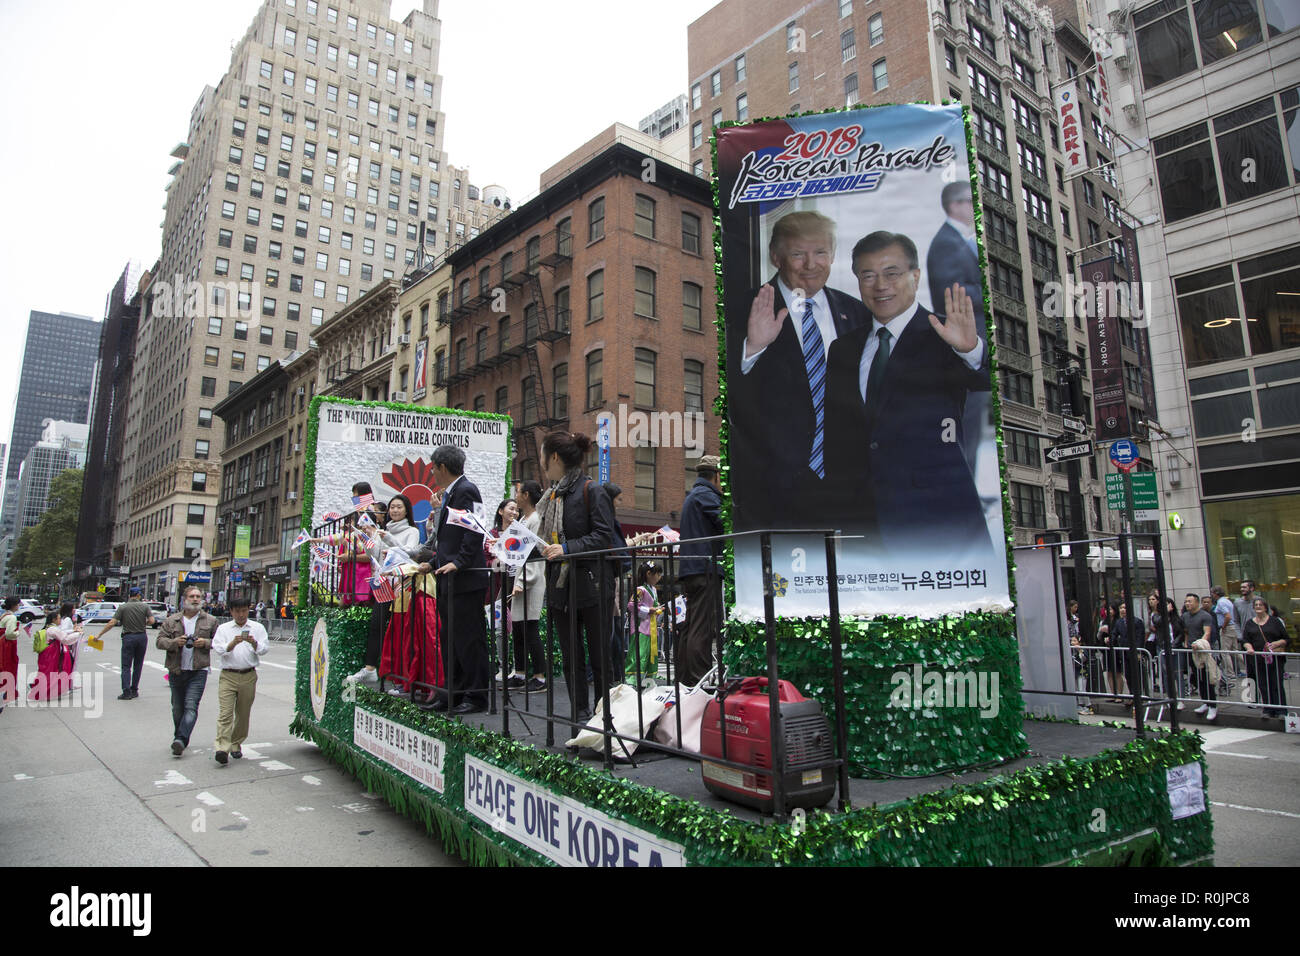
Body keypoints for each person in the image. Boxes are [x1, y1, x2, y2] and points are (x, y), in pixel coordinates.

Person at [824, 231, 991, 556]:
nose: (879, 285)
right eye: (867, 275)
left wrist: (970, 350)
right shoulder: (843, 349)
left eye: (892, 273)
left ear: (915, 276)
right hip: (863, 528)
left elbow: (981, 378)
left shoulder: (945, 334)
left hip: (939, 525)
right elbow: (837, 435)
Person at [727, 210, 870, 532]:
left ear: (833, 254)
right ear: (776, 257)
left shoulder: (857, 312)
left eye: (820, 252)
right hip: (772, 494)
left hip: (850, 489)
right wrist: (754, 348)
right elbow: (724, 396)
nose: (811, 264)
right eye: (797, 254)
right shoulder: (741, 309)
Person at [537, 430, 617, 722]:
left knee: (600, 658)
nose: (542, 462)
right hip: (561, 588)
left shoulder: (592, 490)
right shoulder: (552, 495)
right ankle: (578, 714)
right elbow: (544, 538)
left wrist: (567, 548)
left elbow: (603, 536)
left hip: (592, 585)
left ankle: (604, 717)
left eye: (544, 454)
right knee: (571, 658)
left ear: (555, 457)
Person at [926, 180, 987, 475]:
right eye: (970, 201)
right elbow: (955, 294)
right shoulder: (946, 244)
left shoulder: (959, 241)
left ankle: (968, 491)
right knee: (968, 430)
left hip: (972, 352)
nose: (975, 208)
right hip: (963, 352)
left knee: (973, 430)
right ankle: (965, 494)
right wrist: (990, 292)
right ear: (955, 205)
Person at [427, 445, 490, 715]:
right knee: (450, 638)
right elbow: (447, 540)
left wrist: (459, 562)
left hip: (465, 580)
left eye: (433, 467)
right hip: (448, 577)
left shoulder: (467, 490)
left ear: (443, 467)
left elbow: (475, 530)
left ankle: (476, 696)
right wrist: (431, 563)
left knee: (468, 639)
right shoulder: (450, 494)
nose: (431, 472)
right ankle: (451, 692)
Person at [677, 455, 724, 687]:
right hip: (705, 568)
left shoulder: (693, 495)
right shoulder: (706, 495)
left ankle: (686, 679)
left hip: (692, 569)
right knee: (702, 628)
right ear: (716, 476)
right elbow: (726, 522)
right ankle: (699, 681)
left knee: (691, 625)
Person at [157, 586, 218, 756]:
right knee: (177, 708)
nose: (195, 599)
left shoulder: (211, 620)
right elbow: (159, 641)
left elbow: (219, 642)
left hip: (199, 670)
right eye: (192, 596)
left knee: (191, 706)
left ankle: (181, 740)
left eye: (198, 596)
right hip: (177, 670)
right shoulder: (172, 620)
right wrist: (174, 642)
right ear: (184, 599)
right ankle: (179, 736)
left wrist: (204, 643)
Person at [211, 596, 269, 765]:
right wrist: (231, 644)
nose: (241, 615)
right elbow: (218, 648)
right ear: (231, 612)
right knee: (225, 713)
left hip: (248, 675)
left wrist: (254, 643)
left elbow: (264, 649)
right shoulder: (224, 628)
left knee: (243, 713)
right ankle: (222, 747)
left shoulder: (257, 627)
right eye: (237, 611)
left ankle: (236, 743)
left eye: (244, 611)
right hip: (228, 675)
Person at [380, 546, 443, 695]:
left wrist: (390, 571)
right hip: (416, 607)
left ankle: (431, 684)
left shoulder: (420, 572)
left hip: (424, 607)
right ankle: (415, 682)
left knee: (426, 644)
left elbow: (410, 568)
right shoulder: (417, 575)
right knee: (414, 645)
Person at [344, 481, 390, 687]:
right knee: (376, 625)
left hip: (393, 583)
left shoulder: (389, 531)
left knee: (386, 626)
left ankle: (384, 669)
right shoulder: (372, 532)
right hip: (378, 582)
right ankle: (372, 668)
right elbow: (373, 553)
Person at [507, 480, 547, 692]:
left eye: (519, 492)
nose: (516, 495)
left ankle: (540, 677)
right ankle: (520, 673)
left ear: (527, 495)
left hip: (530, 579)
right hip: (520, 578)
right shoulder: (524, 519)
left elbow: (535, 553)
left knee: (529, 628)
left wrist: (522, 581)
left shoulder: (536, 519)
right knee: (520, 629)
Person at [98, 587, 156, 700]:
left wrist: (99, 635)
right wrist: (144, 623)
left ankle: (126, 692)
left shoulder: (123, 607)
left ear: (130, 595)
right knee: (138, 665)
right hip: (142, 637)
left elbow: (112, 623)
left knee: (126, 666)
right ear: (139, 595)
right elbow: (152, 621)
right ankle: (134, 690)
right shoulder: (145, 606)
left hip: (128, 637)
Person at [1242, 597, 1288, 718]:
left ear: (1265, 607)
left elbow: (1286, 639)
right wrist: (1249, 648)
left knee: (1276, 683)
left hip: (1275, 659)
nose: (1258, 607)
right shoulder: (1250, 623)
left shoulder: (1275, 621)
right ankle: (1268, 709)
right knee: (1263, 684)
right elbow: (1245, 640)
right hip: (1258, 659)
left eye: (1260, 605)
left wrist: (1277, 643)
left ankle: (1281, 710)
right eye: (1256, 605)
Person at [28, 605, 83, 701]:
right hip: (51, 655)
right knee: (50, 674)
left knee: (44, 673)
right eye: (58, 618)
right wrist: (78, 634)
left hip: (45, 654)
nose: (60, 620)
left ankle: (39, 692)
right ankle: (42, 693)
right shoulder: (54, 629)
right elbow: (65, 639)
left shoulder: (48, 628)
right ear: (54, 620)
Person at [626, 562, 664, 688]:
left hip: (651, 628)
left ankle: (647, 680)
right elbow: (631, 605)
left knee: (650, 655)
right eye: (658, 574)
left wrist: (656, 610)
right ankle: (632, 681)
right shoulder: (640, 590)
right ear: (649, 574)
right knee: (639, 653)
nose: (659, 577)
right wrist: (649, 610)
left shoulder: (653, 590)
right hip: (640, 628)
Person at [1228, 579, 1254, 678]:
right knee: (1249, 665)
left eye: (1244, 587)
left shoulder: (1259, 601)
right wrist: (1240, 636)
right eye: (1241, 587)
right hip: (1245, 638)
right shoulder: (1237, 602)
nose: (1242, 589)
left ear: (1252, 588)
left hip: (1258, 637)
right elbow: (1236, 621)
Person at [0, 598, 18, 713]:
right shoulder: (12, 617)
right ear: (14, 605)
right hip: (7, 647)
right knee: (8, 668)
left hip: (3, 645)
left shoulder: (4, 615)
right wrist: (18, 632)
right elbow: (10, 634)